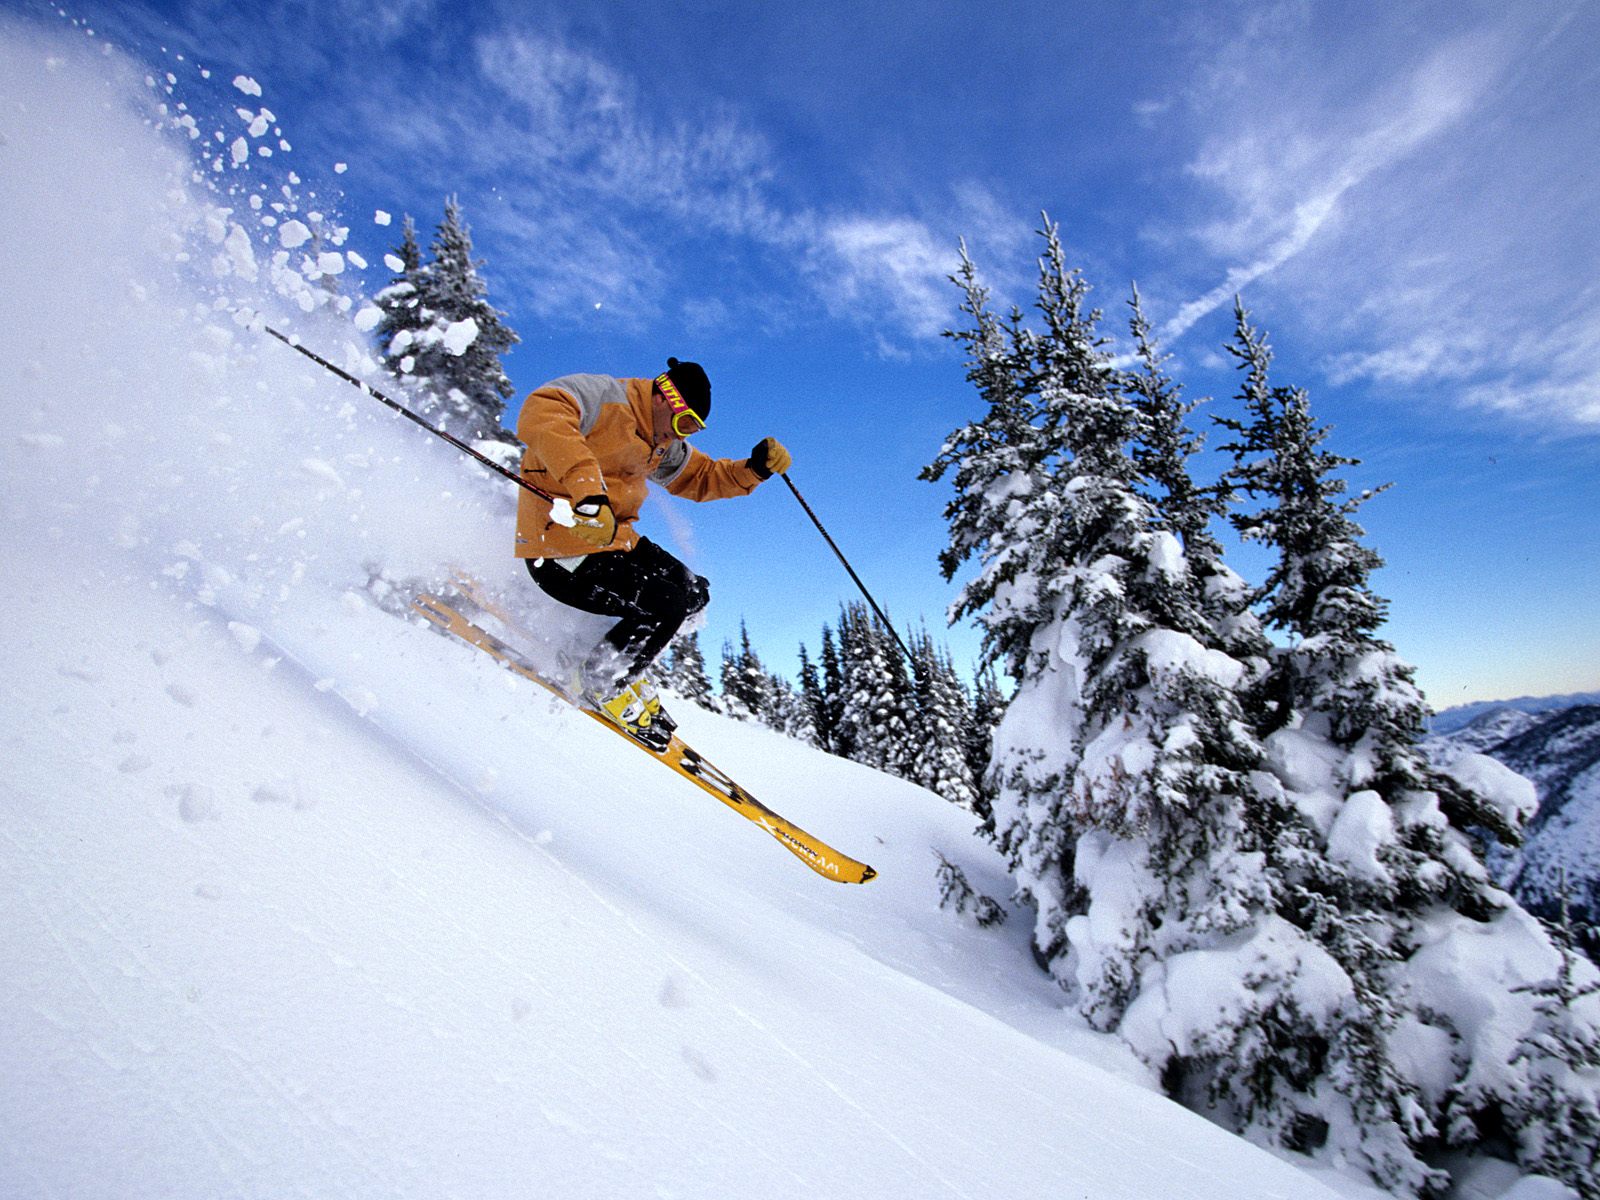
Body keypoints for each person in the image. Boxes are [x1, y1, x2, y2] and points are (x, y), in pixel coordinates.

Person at [514, 357, 790, 749]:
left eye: (693, 429)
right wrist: (587, 492)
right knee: (666, 603)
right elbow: (542, 409)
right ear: (664, 398)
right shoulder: (604, 398)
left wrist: (755, 470)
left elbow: (701, 476)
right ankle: (599, 679)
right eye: (684, 424)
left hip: (613, 541)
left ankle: (609, 657)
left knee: (692, 592)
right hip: (560, 544)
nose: (683, 436)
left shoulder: (659, 443)